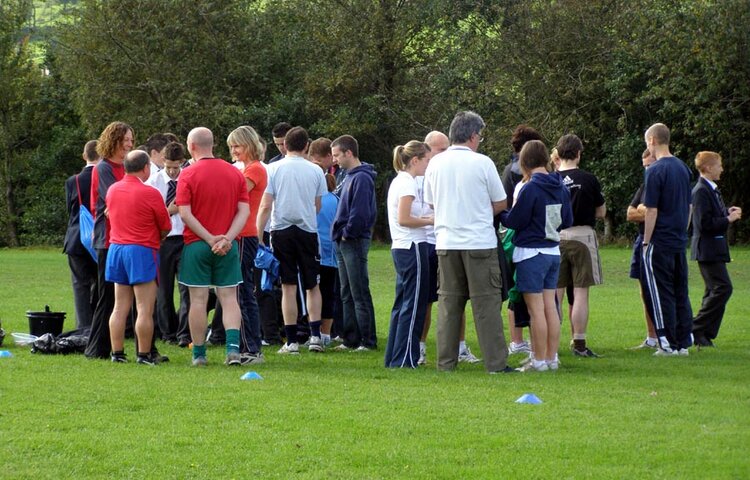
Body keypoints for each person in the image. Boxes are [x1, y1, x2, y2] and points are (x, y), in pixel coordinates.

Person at [423, 111, 513, 374]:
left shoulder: (435, 164)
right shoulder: (482, 163)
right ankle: (495, 364)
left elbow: (431, 202)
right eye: (480, 136)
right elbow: (500, 202)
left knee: (449, 305)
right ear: (473, 136)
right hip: (479, 243)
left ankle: (446, 363)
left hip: (446, 242)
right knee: (486, 304)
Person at [176, 127, 250, 366]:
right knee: (229, 298)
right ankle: (232, 351)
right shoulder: (235, 173)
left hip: (197, 244)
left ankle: (199, 354)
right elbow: (244, 211)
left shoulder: (187, 174)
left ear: (191, 146)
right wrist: (227, 238)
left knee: (197, 300)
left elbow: (184, 213)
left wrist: (209, 238)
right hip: (228, 246)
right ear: (213, 144)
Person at [500, 140, 572, 372]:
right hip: (553, 251)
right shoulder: (560, 185)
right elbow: (568, 220)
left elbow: (515, 221)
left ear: (525, 161)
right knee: (550, 306)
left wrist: (501, 213)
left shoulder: (530, 187)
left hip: (531, 253)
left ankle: (538, 360)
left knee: (536, 310)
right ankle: (551, 358)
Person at [256, 126, 327, 354]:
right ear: (307, 145)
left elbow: (266, 204)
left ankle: (292, 341)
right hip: (307, 230)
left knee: (288, 285)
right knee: (312, 284)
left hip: (281, 230)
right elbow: (318, 205)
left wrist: (258, 234)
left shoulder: (273, 169)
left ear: (285, 145)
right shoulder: (316, 171)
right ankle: (315, 336)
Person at [418, 131, 480, 365]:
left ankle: (461, 347)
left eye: (446, 148)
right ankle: (421, 346)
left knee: (457, 297)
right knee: (427, 300)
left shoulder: (450, 171)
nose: (445, 153)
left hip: (448, 242)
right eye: (439, 150)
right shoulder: (418, 177)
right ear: (428, 150)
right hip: (427, 244)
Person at [106, 150, 171, 364]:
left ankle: (117, 353)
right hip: (142, 250)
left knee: (119, 306)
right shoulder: (150, 193)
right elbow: (165, 226)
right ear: (145, 168)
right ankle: (143, 354)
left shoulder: (113, 190)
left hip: (117, 249)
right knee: (144, 308)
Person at [641, 123, 693, 355]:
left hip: (660, 240)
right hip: (679, 239)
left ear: (652, 141)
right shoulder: (683, 168)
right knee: (680, 290)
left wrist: (645, 240)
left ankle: (667, 342)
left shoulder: (655, 170)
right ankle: (683, 341)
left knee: (661, 292)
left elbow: (651, 210)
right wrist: (683, 230)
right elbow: (690, 206)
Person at [555, 134, 606, 357]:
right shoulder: (588, 178)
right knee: (580, 293)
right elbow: (601, 212)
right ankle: (579, 344)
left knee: (553, 295)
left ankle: (550, 345)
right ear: (578, 153)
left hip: (554, 239)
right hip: (582, 236)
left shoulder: (550, 179)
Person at [85, 121, 133, 359]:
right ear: (114, 140)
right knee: (107, 295)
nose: (130, 144)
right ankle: (97, 348)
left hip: (123, 235)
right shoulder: (103, 168)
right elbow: (114, 200)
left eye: (131, 141)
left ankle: (113, 344)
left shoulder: (125, 167)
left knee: (121, 295)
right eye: (126, 140)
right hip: (108, 238)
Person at [385, 141, 433, 368]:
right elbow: (404, 219)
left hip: (404, 247)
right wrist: (433, 220)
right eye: (427, 160)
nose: (428, 165)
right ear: (415, 160)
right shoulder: (407, 184)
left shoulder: (401, 181)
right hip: (412, 246)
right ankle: (405, 358)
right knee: (414, 305)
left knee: (403, 303)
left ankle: (395, 356)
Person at [331, 134, 378, 351]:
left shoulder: (362, 178)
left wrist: (347, 233)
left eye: (337, 155)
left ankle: (367, 340)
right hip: (343, 240)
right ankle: (351, 338)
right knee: (346, 291)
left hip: (354, 240)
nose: (335, 160)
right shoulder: (348, 176)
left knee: (359, 290)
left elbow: (361, 213)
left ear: (349, 153)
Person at [690, 151, 741, 347]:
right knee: (723, 288)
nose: (722, 169)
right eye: (719, 165)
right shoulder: (701, 191)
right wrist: (728, 219)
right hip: (708, 249)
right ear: (709, 168)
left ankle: (703, 335)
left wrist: (726, 212)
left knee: (712, 290)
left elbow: (712, 215)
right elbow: (704, 224)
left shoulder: (711, 189)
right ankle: (695, 328)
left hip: (715, 248)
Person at [501, 125, 542, 356]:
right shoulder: (522, 174)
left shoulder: (509, 169)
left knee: (517, 290)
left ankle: (519, 340)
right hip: (520, 235)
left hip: (510, 232)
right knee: (522, 291)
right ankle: (520, 341)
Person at [227, 125, 267, 365]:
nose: (234, 151)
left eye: (237, 146)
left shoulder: (255, 170)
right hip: (241, 235)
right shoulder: (246, 169)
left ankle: (251, 348)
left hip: (245, 235)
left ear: (249, 145)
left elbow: (235, 193)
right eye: (231, 147)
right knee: (238, 291)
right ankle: (247, 345)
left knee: (243, 292)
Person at [147, 141, 189, 345]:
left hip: (185, 238)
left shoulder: (188, 180)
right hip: (163, 240)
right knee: (163, 290)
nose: (172, 171)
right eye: (168, 167)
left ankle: (184, 333)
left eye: (176, 167)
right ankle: (167, 333)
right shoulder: (153, 183)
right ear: (163, 161)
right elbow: (148, 213)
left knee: (186, 289)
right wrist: (168, 210)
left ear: (182, 162)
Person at [63, 140, 99, 330]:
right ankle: (99, 322)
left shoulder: (73, 181)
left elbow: (71, 210)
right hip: (100, 237)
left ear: (84, 156)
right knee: (101, 283)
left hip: (77, 237)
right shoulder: (105, 177)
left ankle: (83, 326)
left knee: (80, 284)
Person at [626, 148, 658, 349]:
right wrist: (643, 211)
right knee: (643, 289)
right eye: (645, 166)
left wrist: (645, 211)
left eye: (650, 165)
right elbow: (629, 213)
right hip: (640, 239)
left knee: (657, 289)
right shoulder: (645, 185)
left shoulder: (662, 186)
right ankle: (651, 336)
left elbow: (658, 214)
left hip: (657, 241)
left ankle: (664, 335)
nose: (647, 169)